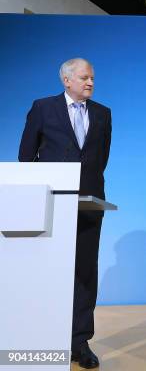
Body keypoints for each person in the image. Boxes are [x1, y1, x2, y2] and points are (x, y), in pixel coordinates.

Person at [19, 58, 112, 369]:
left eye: (92, 78)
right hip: (52, 205)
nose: (90, 83)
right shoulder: (43, 108)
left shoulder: (103, 114)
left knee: (85, 272)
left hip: (89, 206)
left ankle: (79, 341)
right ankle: (45, 336)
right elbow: (26, 156)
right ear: (67, 80)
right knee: (49, 271)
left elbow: (101, 159)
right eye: (84, 77)